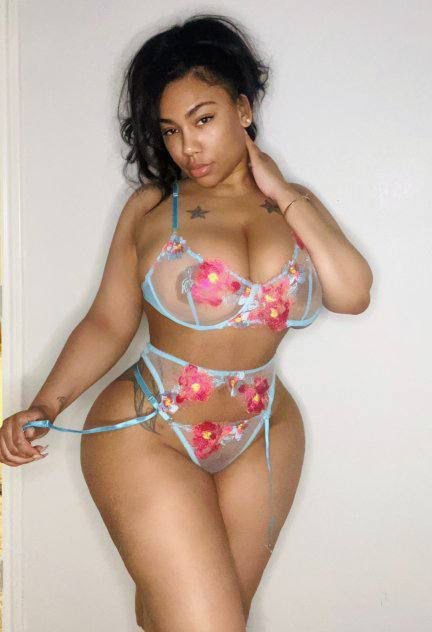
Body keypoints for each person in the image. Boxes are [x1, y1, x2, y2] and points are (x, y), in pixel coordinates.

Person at [0, 13, 373, 631]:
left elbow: (353, 294)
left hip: (264, 433)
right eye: (170, 130)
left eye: (203, 120)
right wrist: (47, 403)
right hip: (149, 428)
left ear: (243, 109)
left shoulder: (294, 205)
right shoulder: (153, 207)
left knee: (191, 620)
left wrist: (283, 191)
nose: (187, 147)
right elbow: (109, 321)